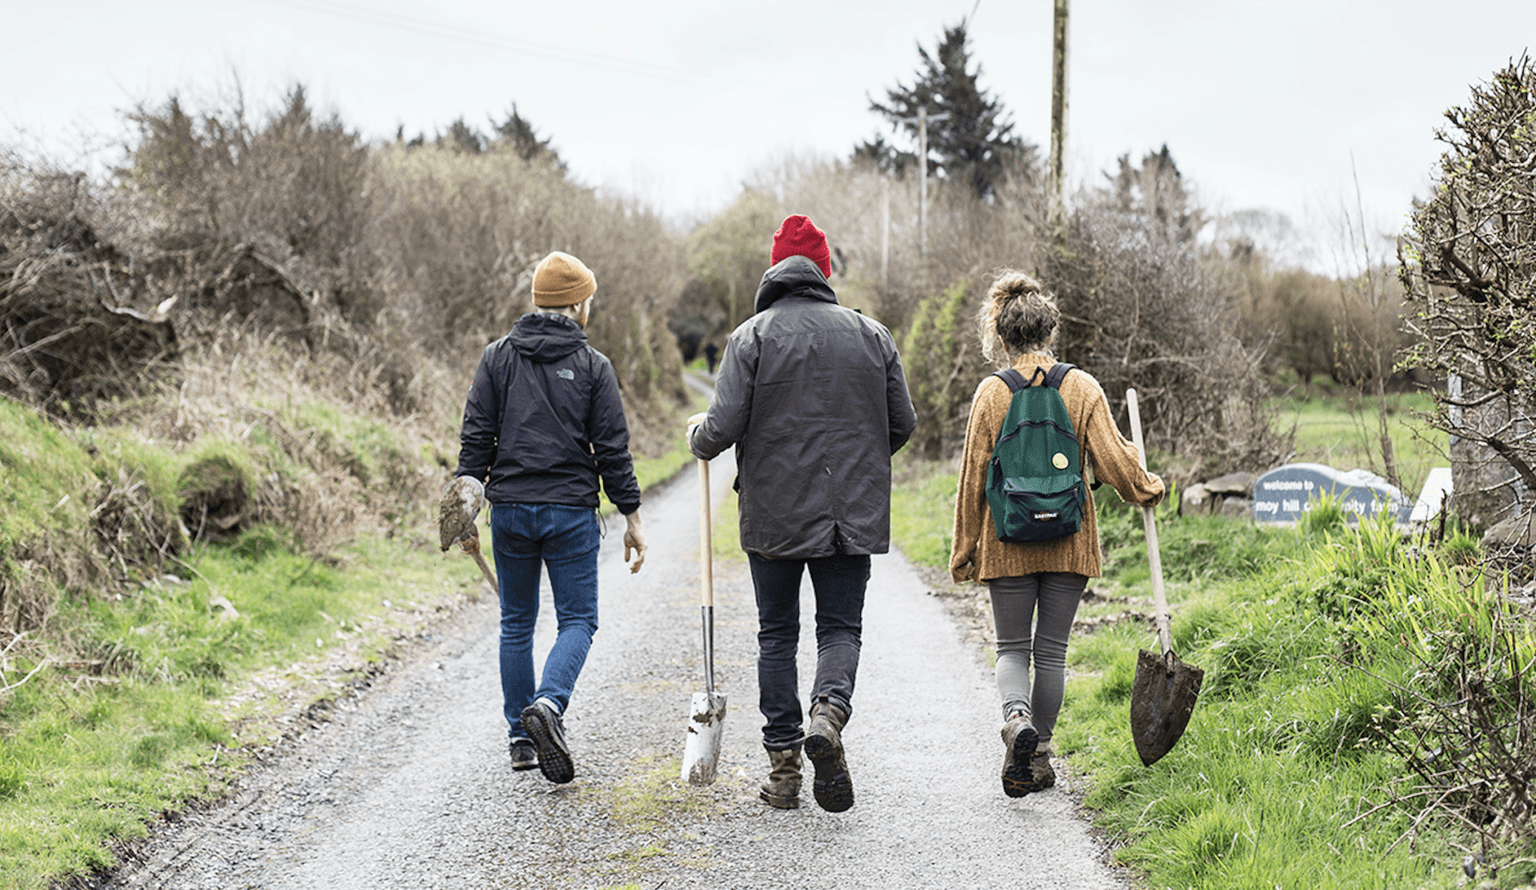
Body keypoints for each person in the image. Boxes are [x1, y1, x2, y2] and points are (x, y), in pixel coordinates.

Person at [688, 214, 916, 813]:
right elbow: (903, 424)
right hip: (851, 513)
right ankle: (828, 715)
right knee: (839, 629)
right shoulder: (874, 336)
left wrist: (698, 438)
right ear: (824, 270)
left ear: (774, 269)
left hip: (773, 513)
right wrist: (860, 459)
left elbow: (721, 429)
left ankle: (785, 771)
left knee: (776, 635)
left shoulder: (750, 337)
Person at [949, 270, 1164, 798]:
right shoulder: (1082, 386)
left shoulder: (991, 394)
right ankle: (1038, 755)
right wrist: (1146, 486)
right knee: (1052, 653)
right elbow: (1114, 462)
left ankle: (1015, 718)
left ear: (1001, 336)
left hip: (1007, 539)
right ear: (1050, 331)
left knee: (1011, 650)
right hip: (1070, 537)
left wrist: (965, 549)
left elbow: (973, 476)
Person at [454, 250, 648, 785]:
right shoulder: (593, 366)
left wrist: (466, 507)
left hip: (511, 511)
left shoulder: (497, 358)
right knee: (579, 620)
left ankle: (521, 738)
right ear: (578, 304)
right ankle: (548, 705)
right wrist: (631, 515)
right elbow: (612, 450)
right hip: (569, 513)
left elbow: (475, 441)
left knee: (516, 622)